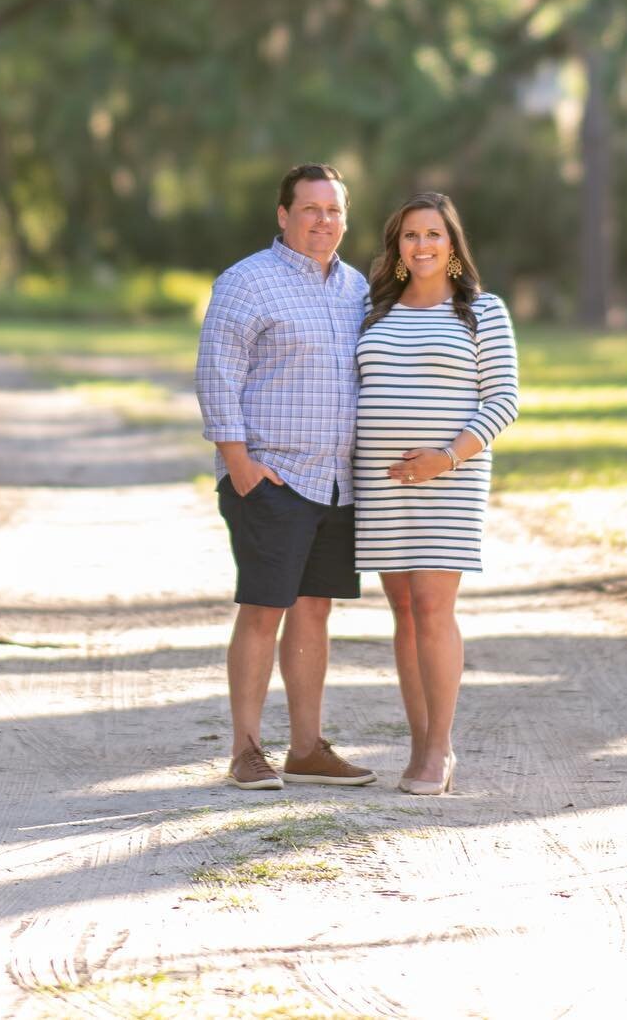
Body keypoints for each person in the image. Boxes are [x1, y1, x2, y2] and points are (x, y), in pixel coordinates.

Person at [196, 162, 376, 792]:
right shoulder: (248, 282)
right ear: (283, 215)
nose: (324, 222)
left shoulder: (357, 288)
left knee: (314, 609)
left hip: (336, 481)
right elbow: (217, 375)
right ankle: (246, 749)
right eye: (311, 210)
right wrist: (241, 466)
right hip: (272, 476)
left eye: (334, 211)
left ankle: (307, 748)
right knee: (262, 608)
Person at [354, 191, 519, 795]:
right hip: (380, 483)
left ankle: (440, 749)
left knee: (432, 608)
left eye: (433, 235)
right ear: (396, 248)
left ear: (452, 245)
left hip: (450, 478)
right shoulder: (373, 311)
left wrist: (445, 458)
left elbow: (503, 401)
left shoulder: (481, 311)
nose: (421, 246)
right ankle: (419, 741)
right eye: (409, 236)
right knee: (402, 612)